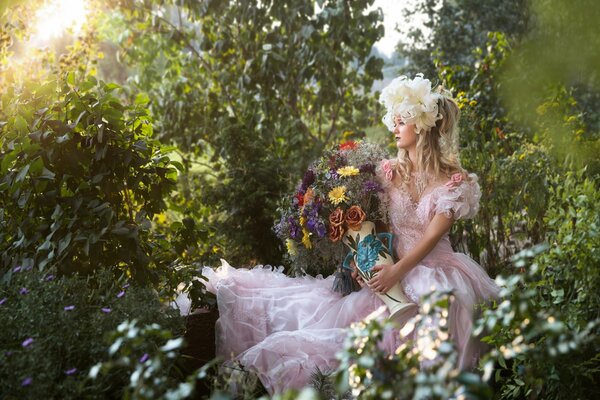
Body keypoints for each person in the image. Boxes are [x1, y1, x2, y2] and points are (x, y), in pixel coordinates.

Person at [182, 75, 500, 395]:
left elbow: (431, 238)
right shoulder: (390, 172)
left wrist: (396, 272)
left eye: (400, 121)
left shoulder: (454, 180)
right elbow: (383, 229)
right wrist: (365, 262)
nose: (394, 126)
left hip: (437, 270)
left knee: (430, 316)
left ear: (420, 126)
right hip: (394, 267)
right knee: (334, 317)